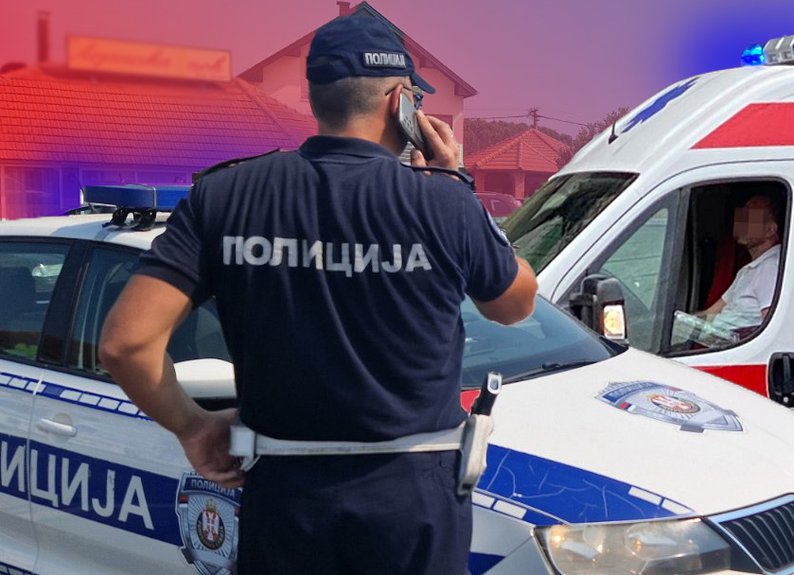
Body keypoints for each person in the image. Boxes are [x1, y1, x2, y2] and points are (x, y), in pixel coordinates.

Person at [98, 15, 537, 575]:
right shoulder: (443, 203)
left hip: (285, 500)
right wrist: (455, 182)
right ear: (400, 102)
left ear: (315, 97)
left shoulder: (226, 194)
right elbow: (514, 304)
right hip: (411, 502)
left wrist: (193, 426)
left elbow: (125, 345)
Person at [696, 194, 781, 335]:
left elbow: (772, 328)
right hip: (715, 339)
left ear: (770, 230)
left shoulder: (770, 268)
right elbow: (711, 313)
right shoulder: (748, 270)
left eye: (752, 218)